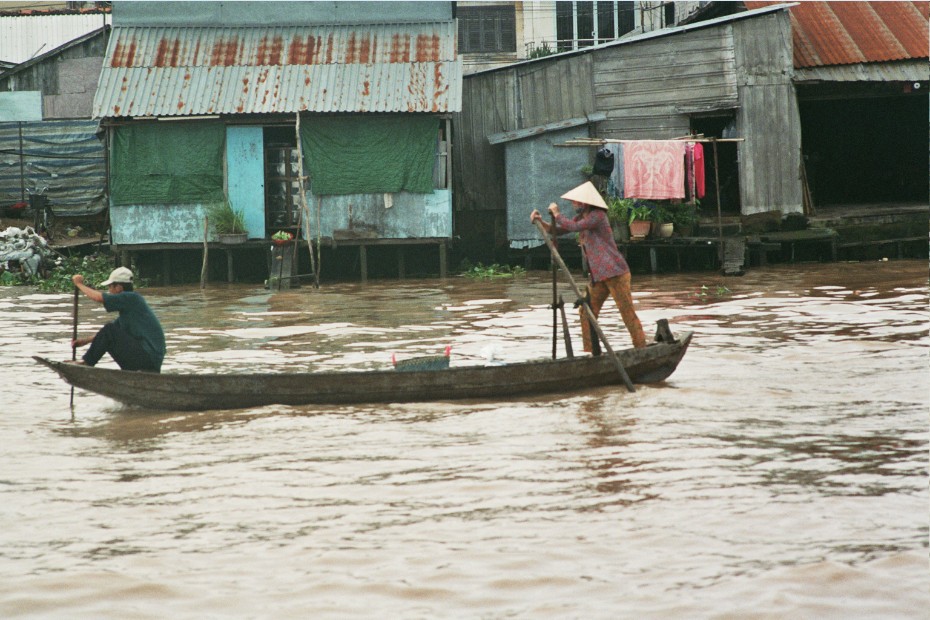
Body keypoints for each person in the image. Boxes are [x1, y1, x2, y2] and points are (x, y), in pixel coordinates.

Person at [531, 181, 647, 352]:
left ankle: (641, 348)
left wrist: (557, 214)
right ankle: (592, 352)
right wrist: (541, 222)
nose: (573, 204)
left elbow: (574, 227)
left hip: (615, 273)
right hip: (598, 277)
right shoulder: (581, 218)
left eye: (576, 201)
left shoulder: (597, 216)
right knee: (586, 312)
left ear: (584, 202)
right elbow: (560, 230)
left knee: (627, 313)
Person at [71, 267, 166, 372]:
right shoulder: (128, 311)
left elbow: (99, 298)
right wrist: (84, 341)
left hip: (148, 359)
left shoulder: (132, 298)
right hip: (148, 361)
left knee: (109, 329)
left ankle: (87, 362)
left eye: (110, 287)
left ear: (119, 287)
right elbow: (104, 335)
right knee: (109, 330)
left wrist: (79, 284)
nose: (109, 291)